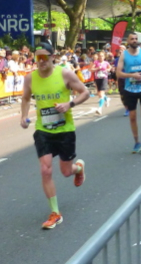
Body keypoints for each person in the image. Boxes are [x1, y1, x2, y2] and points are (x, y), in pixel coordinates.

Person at [20, 41, 89, 230]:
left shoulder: (65, 74)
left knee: (66, 172)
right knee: (46, 170)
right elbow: (25, 98)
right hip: (43, 130)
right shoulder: (30, 78)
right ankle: (55, 213)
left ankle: (78, 168)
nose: (41, 61)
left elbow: (85, 92)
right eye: (37, 58)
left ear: (52, 57)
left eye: (44, 57)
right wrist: (23, 116)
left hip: (65, 129)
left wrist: (69, 104)